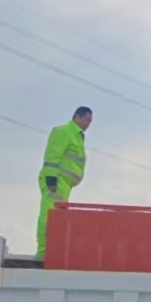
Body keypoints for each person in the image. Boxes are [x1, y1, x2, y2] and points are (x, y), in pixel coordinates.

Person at [37, 106, 92, 259]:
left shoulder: (76, 135)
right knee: (50, 214)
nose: (89, 124)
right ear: (78, 117)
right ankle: (44, 251)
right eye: (87, 120)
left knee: (57, 217)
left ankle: (50, 250)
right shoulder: (64, 131)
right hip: (56, 181)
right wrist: (51, 179)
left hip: (64, 183)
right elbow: (52, 155)